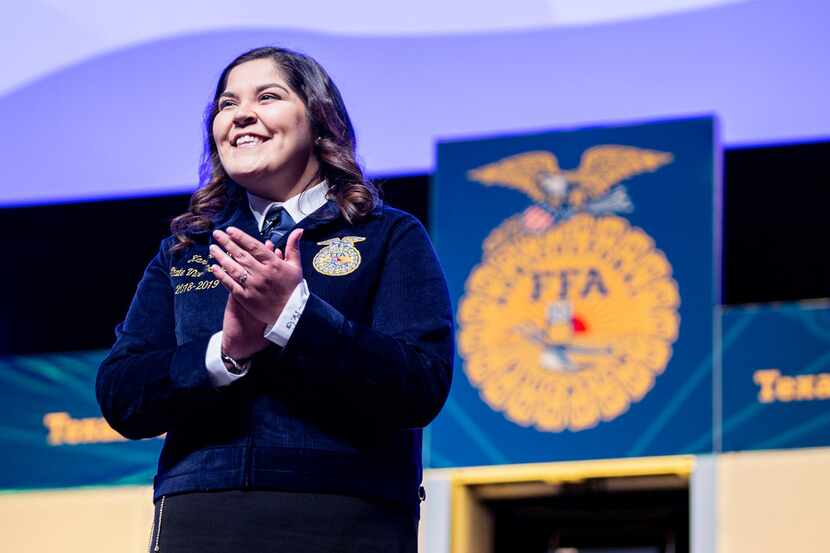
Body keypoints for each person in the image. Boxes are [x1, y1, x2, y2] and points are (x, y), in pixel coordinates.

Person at [96, 46, 453, 553]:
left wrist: (295, 318)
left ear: (320, 121)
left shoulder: (387, 235)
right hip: (203, 516)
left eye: (268, 96)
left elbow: (421, 385)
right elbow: (121, 395)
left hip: (349, 515)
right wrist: (226, 352)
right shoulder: (186, 250)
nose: (241, 114)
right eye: (226, 104)